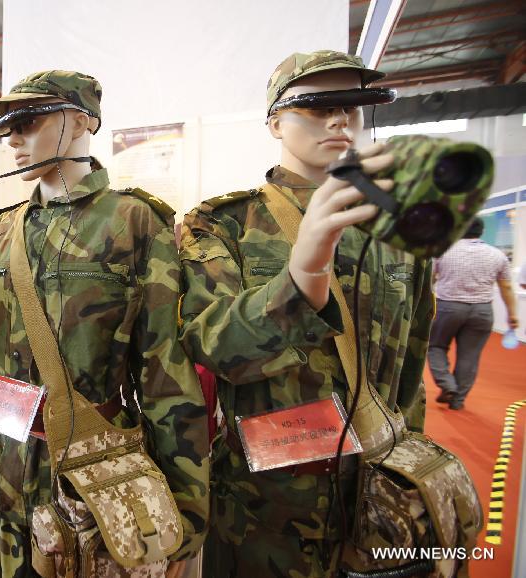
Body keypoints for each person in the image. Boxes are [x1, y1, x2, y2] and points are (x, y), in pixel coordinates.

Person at [0, 70, 208, 578]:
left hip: (87, 472)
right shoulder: (3, 231)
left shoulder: (133, 222)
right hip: (0, 466)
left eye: (29, 120)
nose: (14, 138)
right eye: (8, 127)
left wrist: (182, 515)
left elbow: (164, 375)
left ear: (84, 120)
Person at [178, 50, 433, 576]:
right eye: (318, 107)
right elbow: (213, 346)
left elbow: (411, 367)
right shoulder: (223, 224)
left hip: (377, 495)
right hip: (266, 509)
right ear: (275, 121)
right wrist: (301, 277)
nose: (339, 121)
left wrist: (410, 472)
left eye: (352, 108)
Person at [428, 217, 519, 410]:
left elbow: (430, 281)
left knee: (435, 346)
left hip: (449, 307)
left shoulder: (443, 250)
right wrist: (512, 315)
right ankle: (458, 400)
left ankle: (447, 384)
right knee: (469, 355)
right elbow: (507, 287)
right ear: (481, 231)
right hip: (482, 311)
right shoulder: (497, 255)